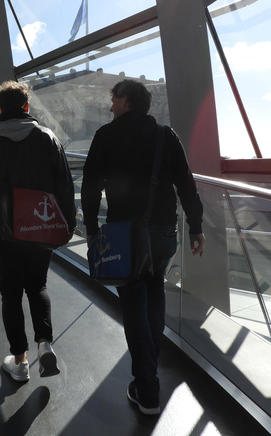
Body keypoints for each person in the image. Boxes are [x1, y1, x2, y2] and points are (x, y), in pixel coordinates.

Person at [82, 79, 206, 415]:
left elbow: (91, 186)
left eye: (113, 100)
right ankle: (149, 367)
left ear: (124, 100)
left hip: (124, 234)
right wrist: (196, 226)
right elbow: (186, 184)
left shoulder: (106, 137)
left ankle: (148, 387)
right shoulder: (167, 136)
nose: (110, 107)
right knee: (155, 294)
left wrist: (92, 228)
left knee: (134, 307)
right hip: (163, 232)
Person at [0, 81, 76, 382]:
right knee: (37, 286)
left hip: (3, 232)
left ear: (0, 109)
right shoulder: (48, 138)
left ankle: (21, 361)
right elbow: (64, 186)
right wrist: (68, 224)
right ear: (27, 107)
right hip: (41, 226)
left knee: (11, 295)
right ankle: (44, 343)